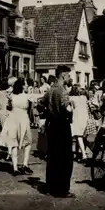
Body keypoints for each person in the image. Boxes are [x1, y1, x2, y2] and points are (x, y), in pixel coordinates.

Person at [45, 65, 75, 198]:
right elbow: (66, 107)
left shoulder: (51, 88)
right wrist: (72, 109)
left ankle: (51, 186)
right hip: (62, 125)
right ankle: (62, 189)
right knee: (65, 158)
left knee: (53, 157)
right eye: (68, 75)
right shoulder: (62, 90)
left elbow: (41, 103)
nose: (69, 78)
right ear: (63, 75)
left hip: (52, 125)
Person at [1, 78, 36, 176]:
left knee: (13, 142)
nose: (26, 86)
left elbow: (8, 107)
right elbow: (38, 97)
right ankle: (25, 164)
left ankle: (15, 168)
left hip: (12, 118)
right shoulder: (26, 96)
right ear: (22, 86)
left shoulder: (11, 96)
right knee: (28, 142)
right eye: (25, 84)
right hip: (23, 119)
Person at [69, 84, 89, 162]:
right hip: (85, 116)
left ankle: (83, 154)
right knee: (82, 135)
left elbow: (71, 109)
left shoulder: (71, 98)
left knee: (78, 136)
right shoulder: (84, 98)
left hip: (77, 117)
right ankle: (79, 153)